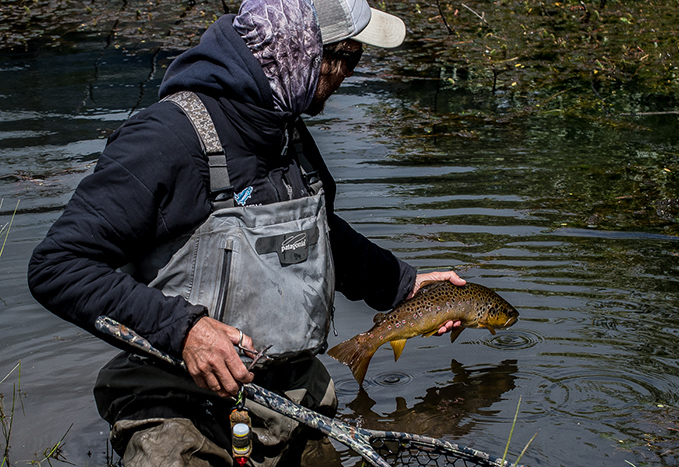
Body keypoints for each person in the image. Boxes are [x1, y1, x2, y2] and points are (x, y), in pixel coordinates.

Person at [27, 0, 465, 465]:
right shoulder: (164, 139)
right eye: (349, 58)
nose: (351, 75)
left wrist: (402, 285)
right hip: (179, 408)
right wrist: (185, 330)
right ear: (304, 55)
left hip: (292, 400)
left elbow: (316, 233)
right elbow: (58, 266)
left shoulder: (284, 127)